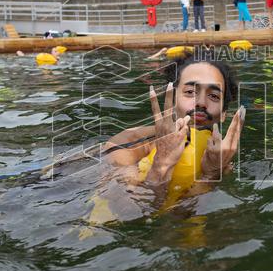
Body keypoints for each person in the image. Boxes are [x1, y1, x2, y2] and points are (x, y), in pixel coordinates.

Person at [101, 55, 245, 203]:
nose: (201, 103)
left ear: (223, 114)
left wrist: (211, 175)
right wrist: (161, 163)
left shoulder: (221, 160)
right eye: (190, 92)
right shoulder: (125, 144)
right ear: (171, 100)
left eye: (214, 96)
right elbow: (125, 211)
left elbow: (182, 217)